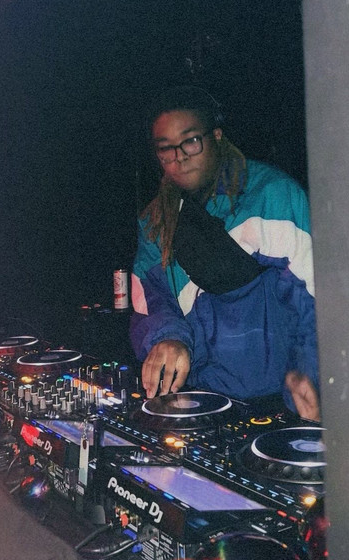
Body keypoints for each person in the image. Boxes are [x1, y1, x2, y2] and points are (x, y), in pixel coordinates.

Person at [130, 86, 320, 421]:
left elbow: (313, 298)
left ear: (216, 137)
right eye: (165, 149)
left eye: (190, 141)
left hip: (280, 400)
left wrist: (310, 370)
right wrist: (167, 337)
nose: (179, 157)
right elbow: (148, 299)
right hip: (200, 399)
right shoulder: (156, 222)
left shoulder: (272, 196)